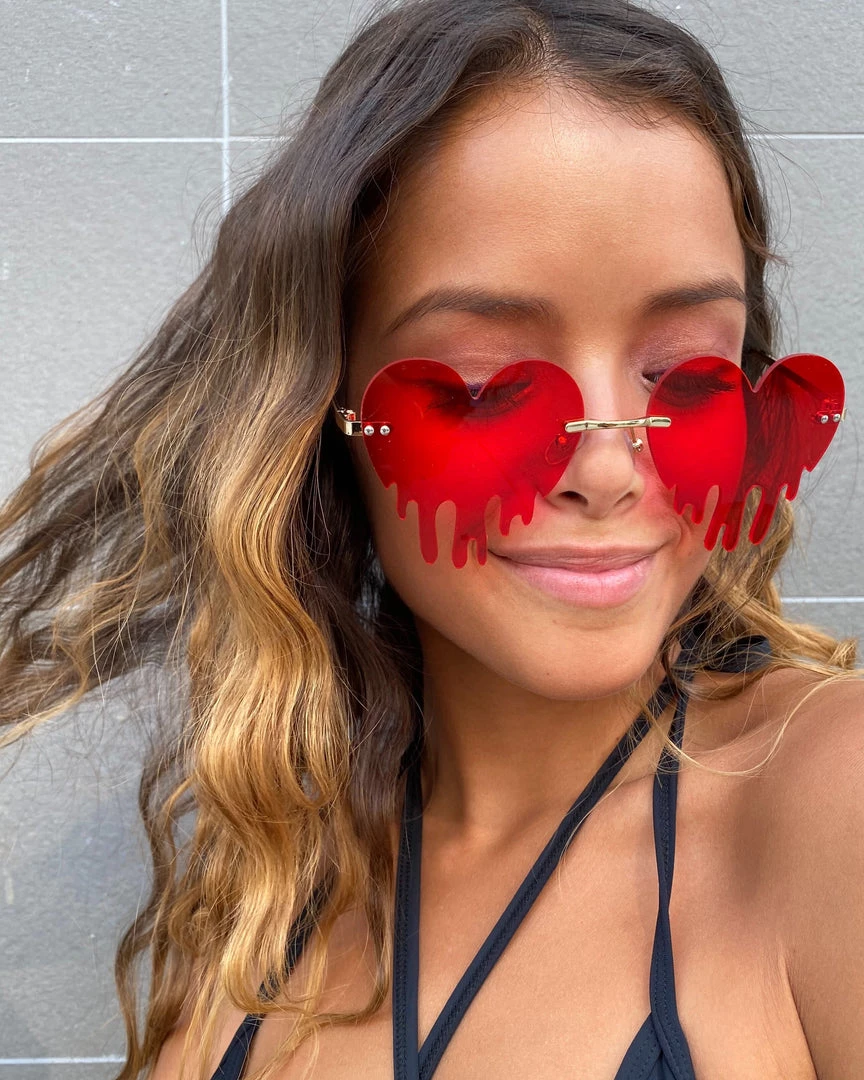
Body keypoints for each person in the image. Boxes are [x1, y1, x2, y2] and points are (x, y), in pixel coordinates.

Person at [0, 0, 860, 1077]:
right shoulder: (268, 891)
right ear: (321, 412)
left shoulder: (827, 799)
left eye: (685, 368)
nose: (606, 467)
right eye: (487, 384)